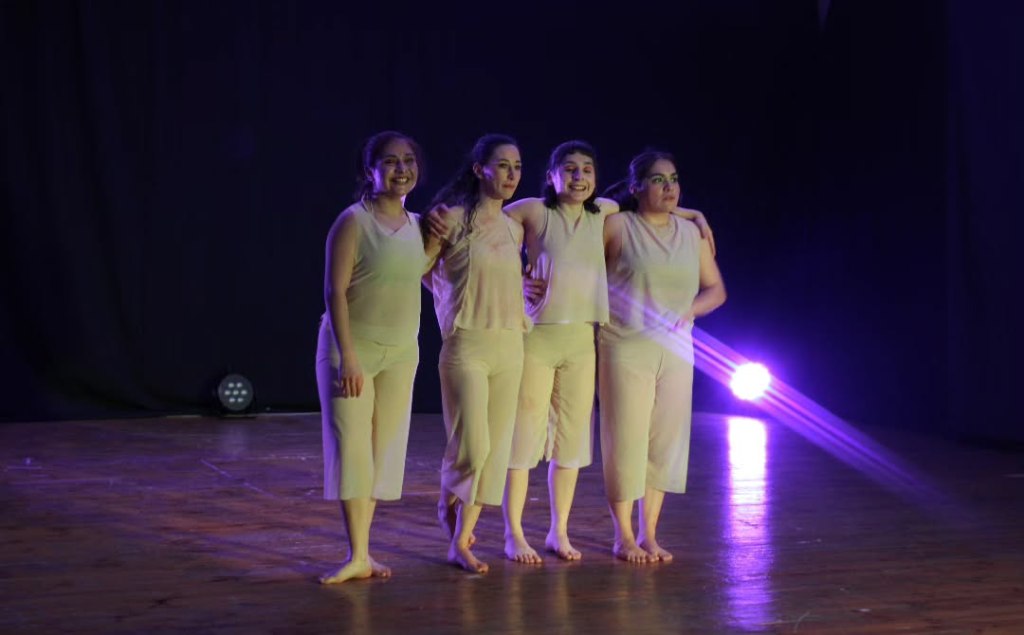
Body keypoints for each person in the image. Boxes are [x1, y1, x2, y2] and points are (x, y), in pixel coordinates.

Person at [496, 141, 715, 564]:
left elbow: (651, 204)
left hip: (582, 340)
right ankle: (514, 533)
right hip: (538, 337)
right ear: (551, 175)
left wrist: (694, 215)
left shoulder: (604, 214)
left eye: (587, 170)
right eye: (569, 169)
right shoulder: (531, 211)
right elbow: (488, 228)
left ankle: (558, 531)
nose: (578, 177)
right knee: (523, 440)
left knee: (571, 445)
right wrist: (515, 276)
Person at [315, 130, 439, 583]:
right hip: (352, 349)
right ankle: (357, 554)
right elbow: (335, 292)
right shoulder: (353, 222)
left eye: (409, 160)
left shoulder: (419, 225)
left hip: (402, 352)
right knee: (353, 449)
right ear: (370, 170)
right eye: (390, 161)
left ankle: (364, 554)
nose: (401, 169)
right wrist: (348, 356)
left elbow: (416, 271)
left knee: (382, 450)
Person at [598, 150, 726, 564]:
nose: (669, 187)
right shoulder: (618, 225)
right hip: (625, 343)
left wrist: (690, 310)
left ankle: (649, 533)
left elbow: (716, 290)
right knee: (626, 439)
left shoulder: (691, 235)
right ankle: (623, 535)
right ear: (636, 186)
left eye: (673, 179)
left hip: (676, 349)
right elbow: (578, 245)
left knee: (664, 443)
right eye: (657, 180)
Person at [424, 133, 530, 574]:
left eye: (517, 167)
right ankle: (448, 499)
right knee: (474, 444)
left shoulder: (514, 226)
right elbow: (420, 268)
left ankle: (461, 539)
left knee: (495, 449)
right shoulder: (450, 219)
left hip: (510, 344)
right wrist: (447, 297)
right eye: (502, 165)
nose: (511, 174)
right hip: (467, 343)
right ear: (479, 168)